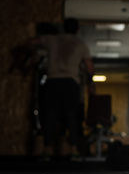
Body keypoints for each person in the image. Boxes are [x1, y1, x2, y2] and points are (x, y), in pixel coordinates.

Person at [29, 18, 95, 160]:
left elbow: (32, 42)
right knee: (71, 115)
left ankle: (47, 149)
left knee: (50, 115)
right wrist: (90, 83)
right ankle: (73, 150)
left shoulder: (52, 39)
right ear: (77, 29)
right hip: (70, 83)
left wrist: (32, 55)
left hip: (52, 82)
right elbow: (89, 66)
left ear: (63, 28)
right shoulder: (80, 43)